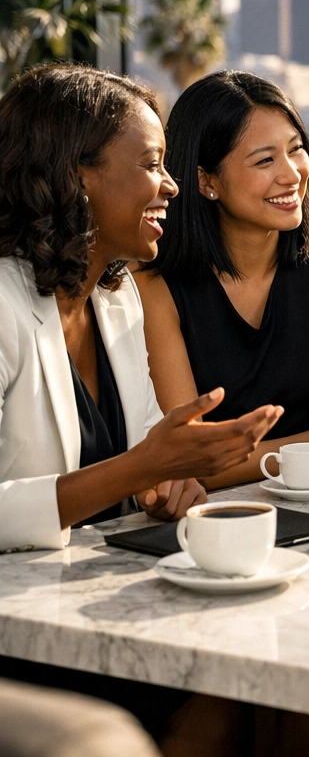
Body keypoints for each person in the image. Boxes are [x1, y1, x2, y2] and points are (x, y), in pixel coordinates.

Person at [0, 63, 283, 754]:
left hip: (97, 603)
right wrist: (139, 468)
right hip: (21, 629)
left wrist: (175, 476)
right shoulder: (3, 305)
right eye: (152, 165)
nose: (172, 185)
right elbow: (122, 468)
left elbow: (144, 470)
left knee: (261, 677)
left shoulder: (114, 295)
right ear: (77, 176)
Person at [136, 71, 309, 488]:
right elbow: (187, 454)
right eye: (264, 160)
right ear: (206, 181)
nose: (291, 174)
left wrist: (240, 463)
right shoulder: (155, 283)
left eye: (296, 149)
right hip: (207, 519)